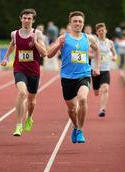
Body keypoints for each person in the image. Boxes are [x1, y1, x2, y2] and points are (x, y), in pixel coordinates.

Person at [47, 11, 100, 143]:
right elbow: (49, 54)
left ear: (83, 23)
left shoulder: (88, 38)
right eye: (75, 21)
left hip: (84, 75)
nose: (77, 23)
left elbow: (97, 49)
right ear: (70, 23)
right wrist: (59, 45)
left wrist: (97, 66)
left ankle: (80, 130)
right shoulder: (63, 38)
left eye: (80, 21)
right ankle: (76, 127)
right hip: (67, 78)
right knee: (71, 109)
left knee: (82, 99)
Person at [1, 8, 47, 136]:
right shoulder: (14, 34)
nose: (26, 20)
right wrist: (5, 58)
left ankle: (29, 117)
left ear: (33, 20)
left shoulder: (37, 33)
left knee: (31, 101)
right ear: (21, 19)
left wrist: (35, 42)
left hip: (34, 71)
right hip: (19, 69)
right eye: (24, 18)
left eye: (29, 18)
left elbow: (45, 53)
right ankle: (18, 125)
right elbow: (12, 45)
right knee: (22, 93)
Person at [91, 23, 117, 117]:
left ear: (106, 31)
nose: (101, 32)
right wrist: (95, 55)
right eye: (99, 31)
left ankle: (102, 109)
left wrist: (114, 57)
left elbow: (115, 53)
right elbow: (89, 54)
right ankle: (95, 89)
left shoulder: (110, 43)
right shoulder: (95, 42)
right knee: (96, 92)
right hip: (95, 69)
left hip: (106, 69)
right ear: (97, 32)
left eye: (103, 30)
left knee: (105, 88)